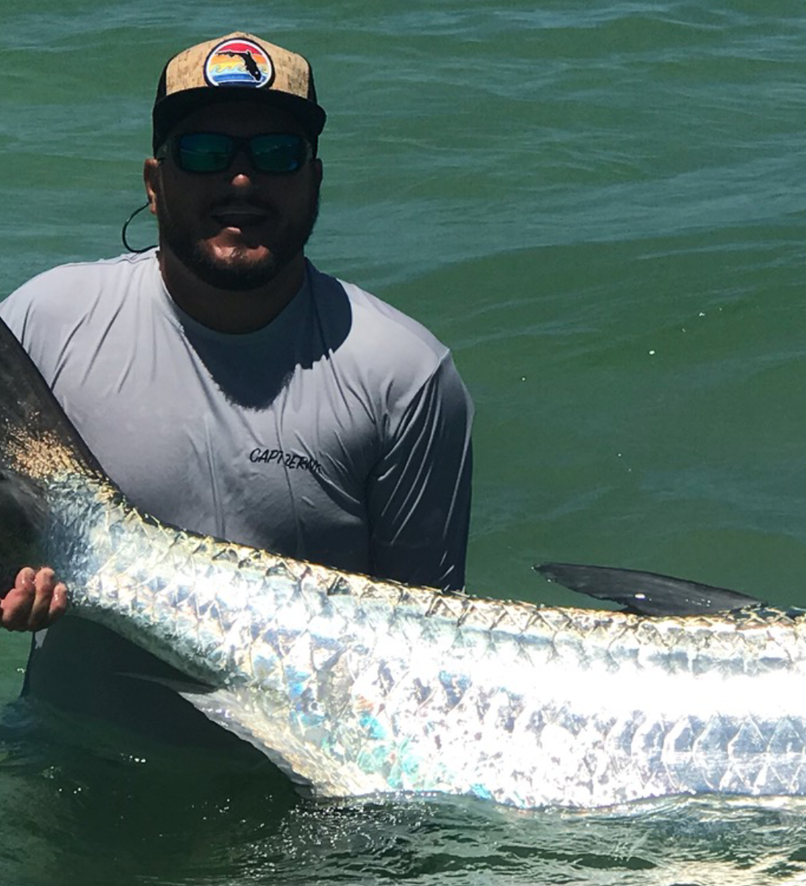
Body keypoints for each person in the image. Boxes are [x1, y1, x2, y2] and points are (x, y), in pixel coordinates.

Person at [0, 32, 474, 723]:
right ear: (155, 183)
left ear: (314, 181)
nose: (242, 180)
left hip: (298, 785)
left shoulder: (405, 375)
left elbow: (427, 653)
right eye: (205, 153)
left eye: (277, 154)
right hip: (65, 763)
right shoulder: (41, 322)